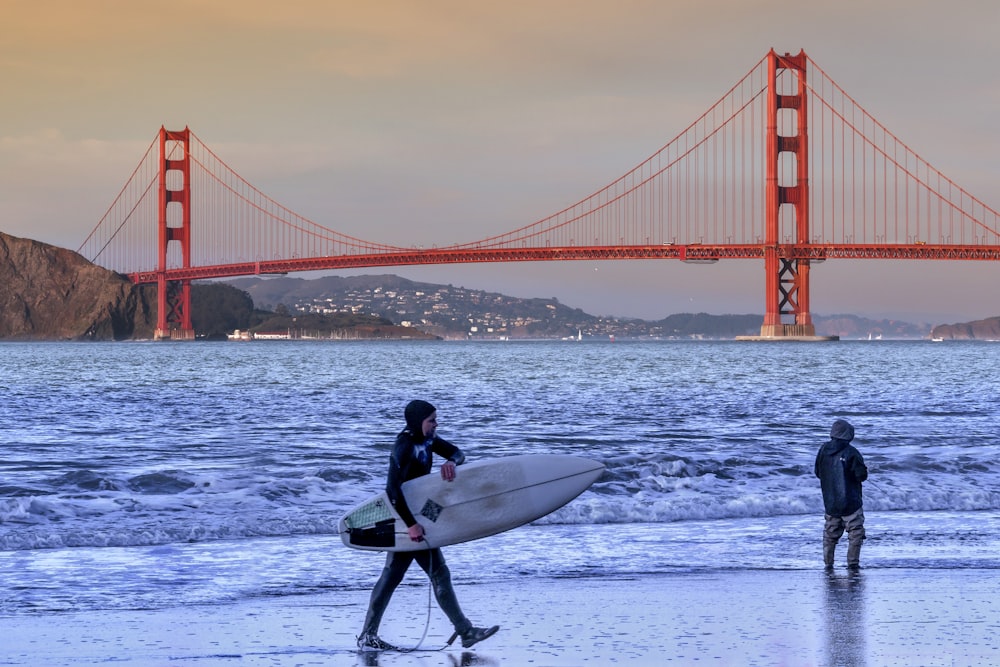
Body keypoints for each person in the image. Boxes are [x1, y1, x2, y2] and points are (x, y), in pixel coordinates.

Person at [357, 399, 499, 651]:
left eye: (435, 419)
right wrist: (411, 525)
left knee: (392, 576)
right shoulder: (404, 446)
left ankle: (367, 636)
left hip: (425, 513)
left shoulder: (429, 441)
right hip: (407, 516)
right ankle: (465, 631)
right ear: (417, 422)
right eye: (431, 420)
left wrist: (451, 462)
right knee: (436, 573)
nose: (436, 424)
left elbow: (458, 452)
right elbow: (392, 491)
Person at [814, 419, 869, 571]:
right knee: (855, 533)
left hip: (830, 502)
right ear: (848, 435)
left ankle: (828, 564)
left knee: (830, 535)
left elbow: (818, 473)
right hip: (851, 502)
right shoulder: (852, 452)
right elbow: (861, 475)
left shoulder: (823, 449)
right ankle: (852, 564)